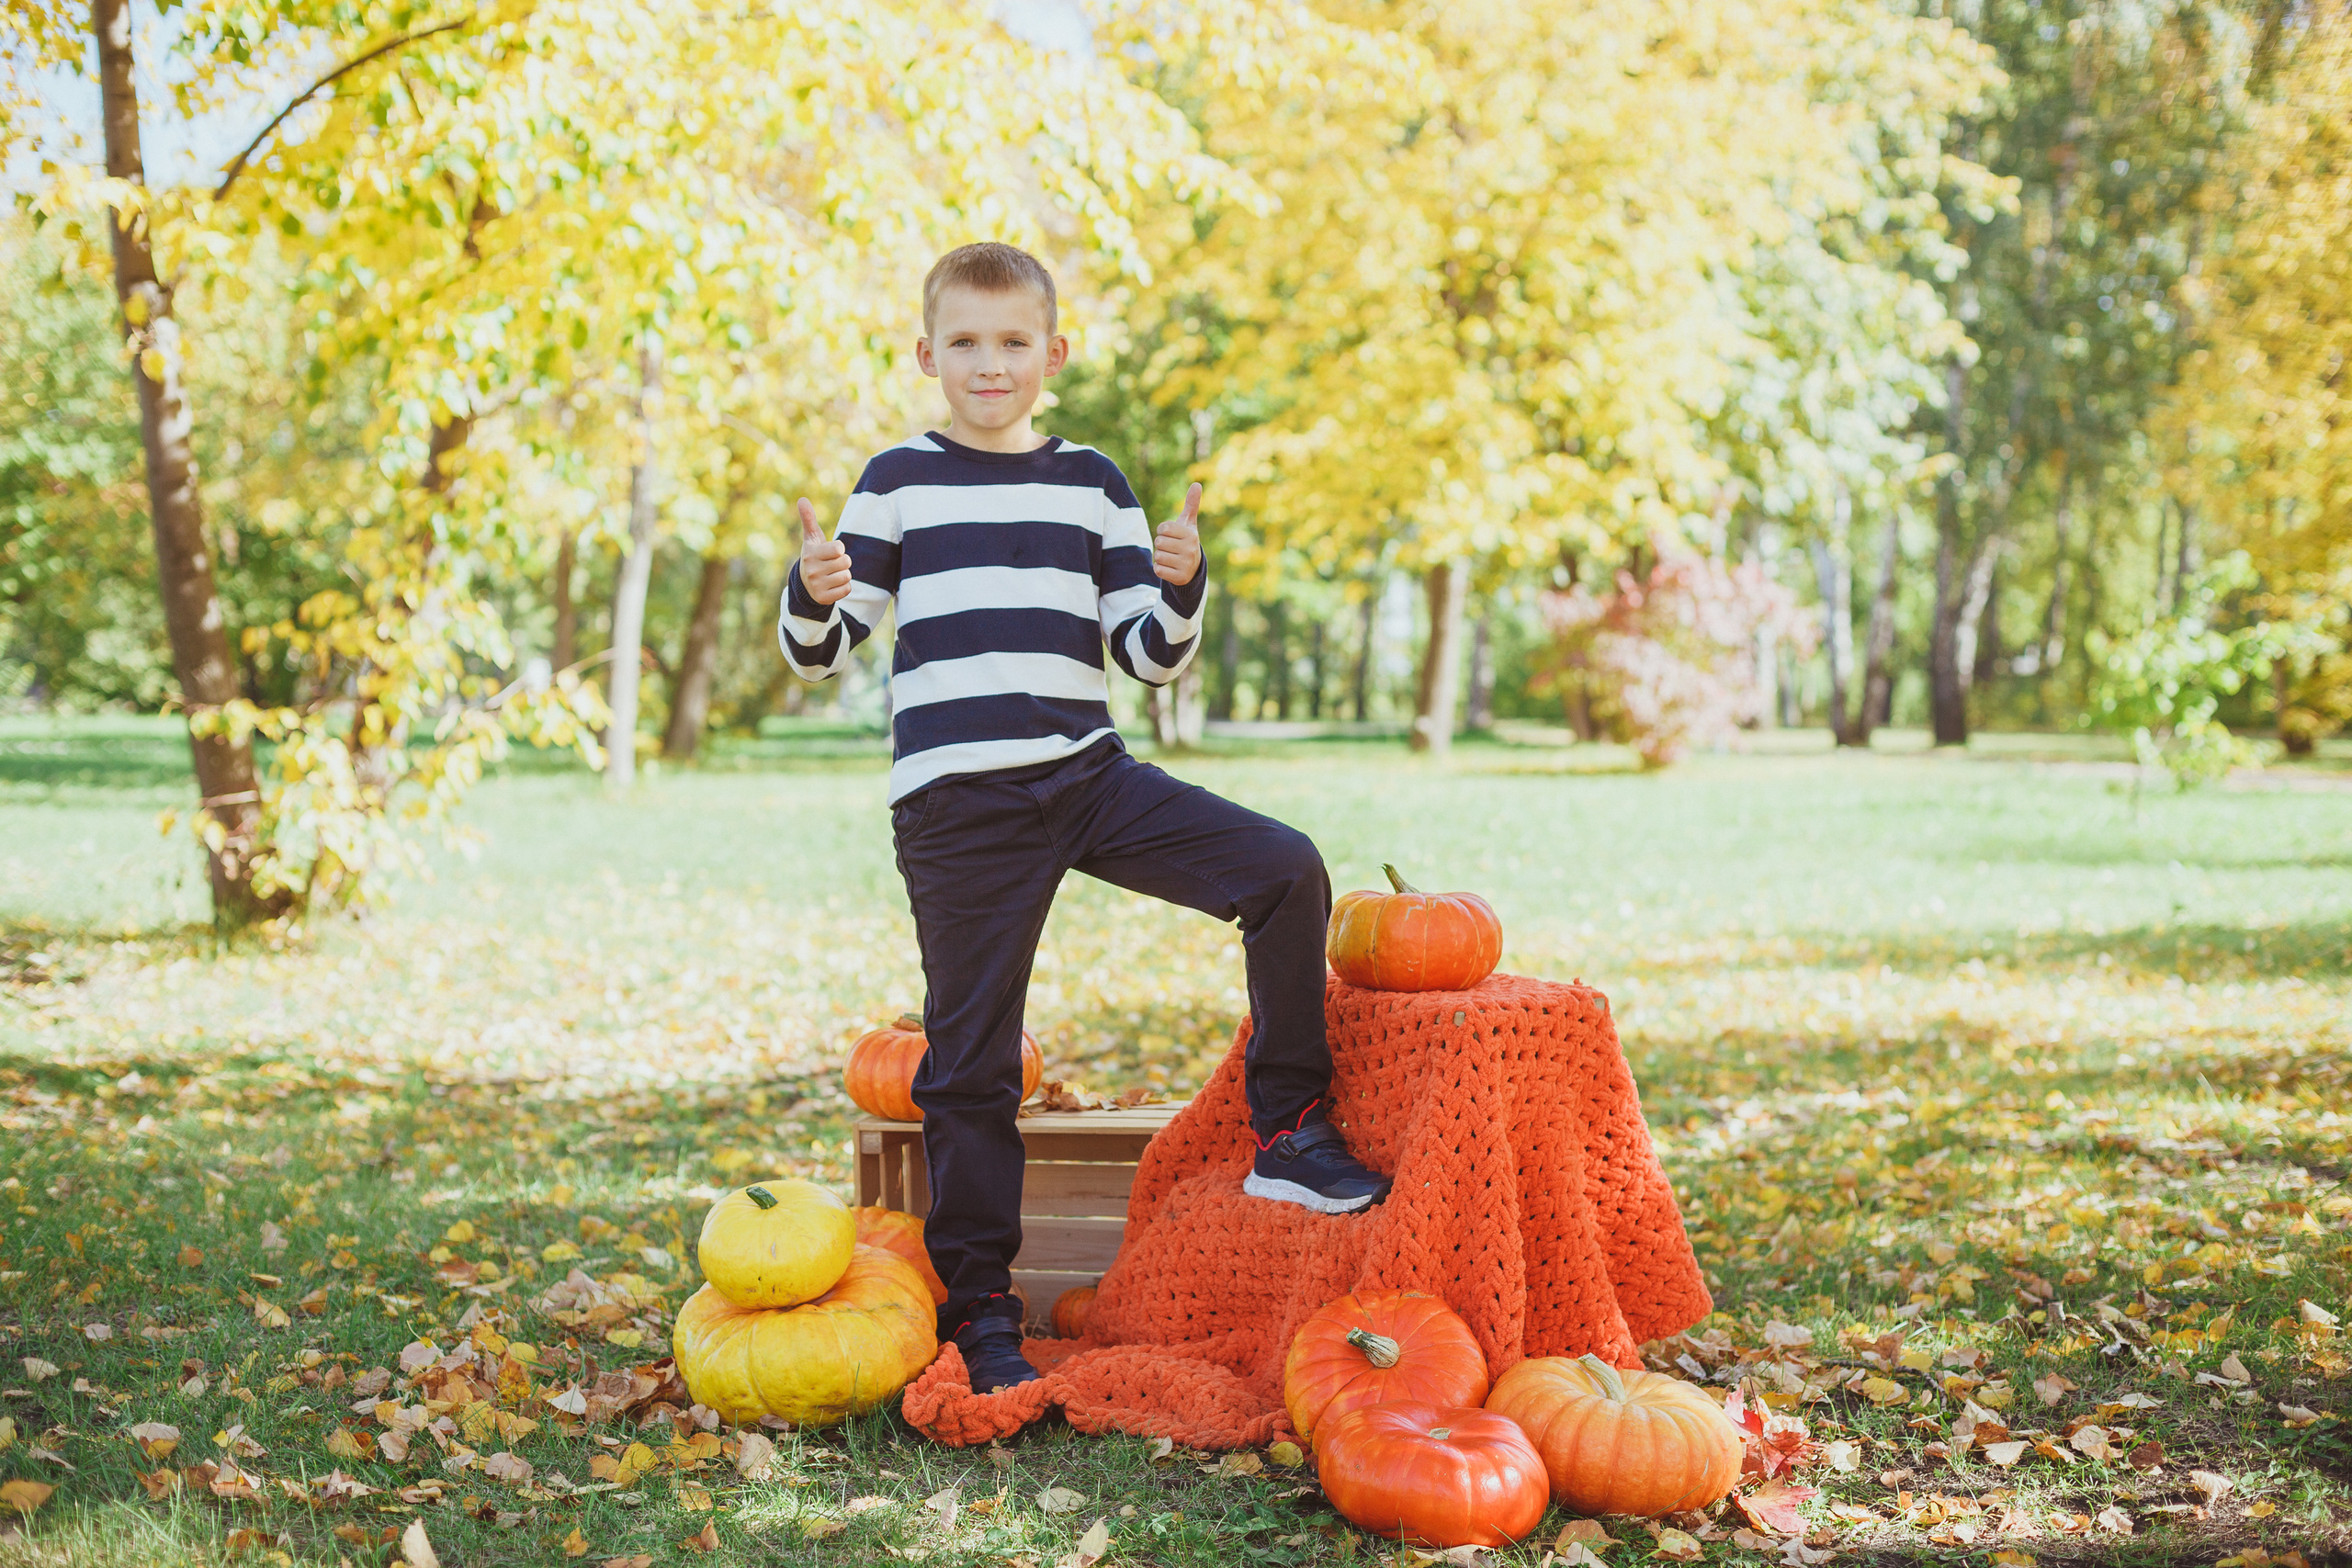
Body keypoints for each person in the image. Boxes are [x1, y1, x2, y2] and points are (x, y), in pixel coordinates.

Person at [779, 243, 1391, 1393]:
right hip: (959, 805)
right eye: (964, 341)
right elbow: (826, 650)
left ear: (1052, 355)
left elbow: (1147, 657)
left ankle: (1288, 1132)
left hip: (1088, 773)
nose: (989, 363)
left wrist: (1180, 585)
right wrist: (808, 596)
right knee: (968, 1064)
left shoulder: (1094, 482)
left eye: (1013, 342)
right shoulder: (896, 480)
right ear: (926, 355)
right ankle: (980, 1313)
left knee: (1283, 870)